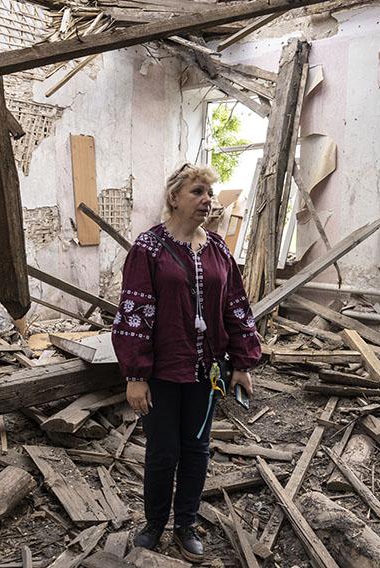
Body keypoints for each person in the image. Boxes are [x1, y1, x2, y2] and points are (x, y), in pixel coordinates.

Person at [111, 163, 262, 561]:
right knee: (163, 451)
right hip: (162, 371)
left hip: (206, 370)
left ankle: (186, 524)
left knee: (196, 449)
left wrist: (242, 363)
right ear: (174, 198)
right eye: (197, 192)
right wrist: (135, 374)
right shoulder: (148, 249)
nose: (207, 201)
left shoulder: (217, 249)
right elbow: (134, 312)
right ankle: (155, 524)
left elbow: (235, 306)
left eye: (209, 194)